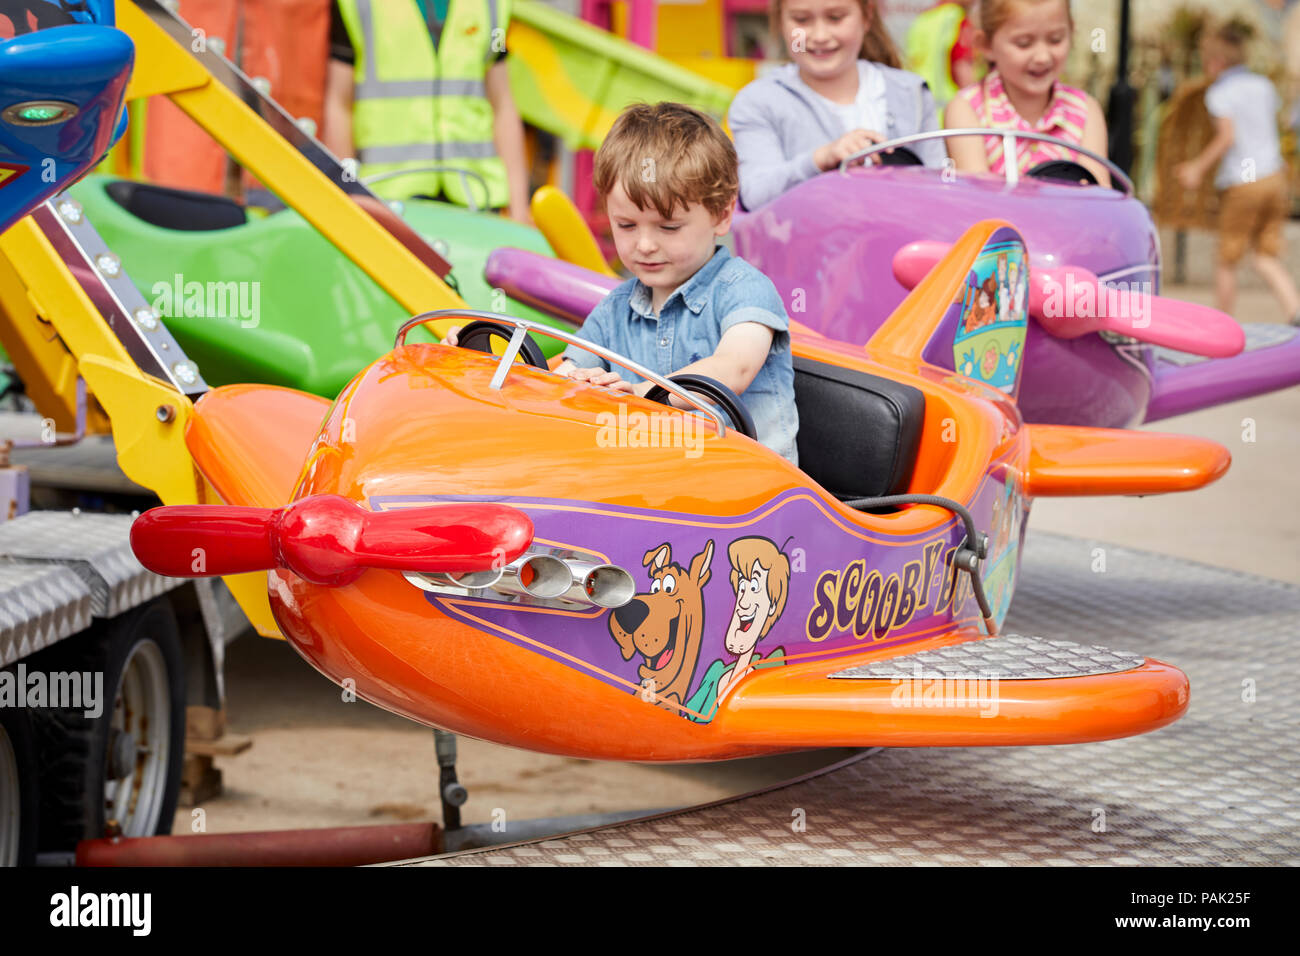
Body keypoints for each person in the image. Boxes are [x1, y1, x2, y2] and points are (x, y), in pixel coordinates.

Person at [446, 103, 799, 463]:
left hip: (752, 493)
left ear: (721, 215)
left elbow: (734, 367)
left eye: (668, 227)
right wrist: (486, 367)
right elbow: (565, 373)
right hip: (655, 484)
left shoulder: (744, 290)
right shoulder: (616, 308)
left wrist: (640, 393)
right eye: (627, 226)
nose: (644, 245)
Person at [322, 0, 531, 222]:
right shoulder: (357, 4)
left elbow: (503, 104)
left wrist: (519, 208)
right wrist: (344, 190)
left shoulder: (493, 5)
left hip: (477, 196)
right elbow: (339, 104)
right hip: (387, 194)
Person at [727, 0, 946, 212]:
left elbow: (942, 187)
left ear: (867, 16)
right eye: (801, 20)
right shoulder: (758, 101)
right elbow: (755, 193)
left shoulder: (911, 92)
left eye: (836, 18)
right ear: (779, 21)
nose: (820, 36)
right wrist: (820, 160)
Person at [1174, 21, 1300, 325]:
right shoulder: (1264, 86)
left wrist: (1196, 168)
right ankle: (1296, 312)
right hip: (1273, 177)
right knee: (1264, 256)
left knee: (1226, 261)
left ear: (1216, 62)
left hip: (1243, 182)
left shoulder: (1221, 92)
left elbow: (1227, 137)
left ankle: (1221, 325)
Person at [944, 0, 1110, 187]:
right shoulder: (967, 109)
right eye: (1024, 43)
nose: (1042, 57)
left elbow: (1100, 197)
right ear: (986, 44)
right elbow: (977, 198)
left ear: (1072, 32)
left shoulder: (1085, 110)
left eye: (1056, 40)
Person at [905, 0, 980, 108]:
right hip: (951, 108)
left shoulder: (923, 19)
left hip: (921, 103)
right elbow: (962, 68)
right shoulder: (957, 18)